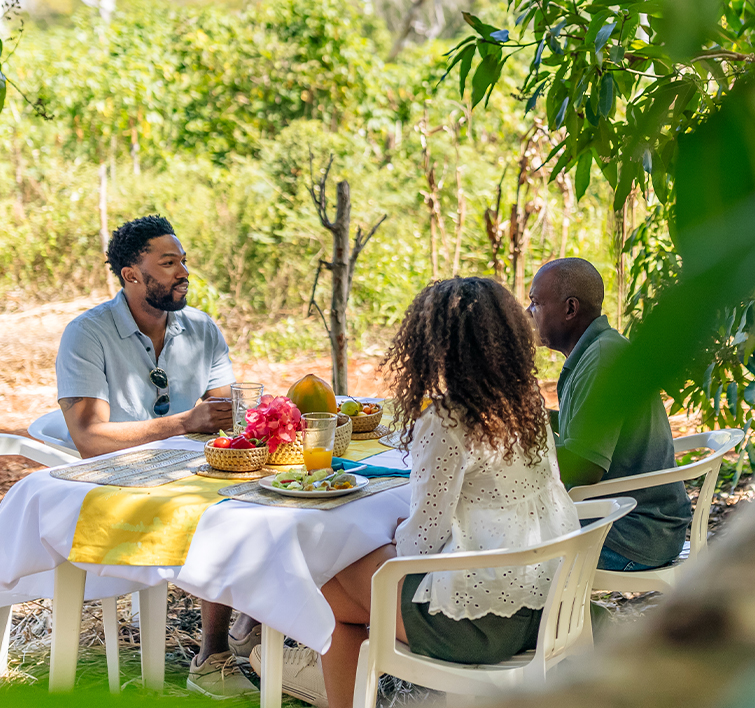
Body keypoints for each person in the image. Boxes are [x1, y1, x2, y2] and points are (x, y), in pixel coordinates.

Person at [249, 277, 580, 708]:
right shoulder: (527, 402)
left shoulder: (447, 419)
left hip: (478, 625)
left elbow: (419, 544)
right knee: (344, 580)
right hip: (547, 604)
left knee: (325, 583)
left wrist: (396, 535)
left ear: (431, 345)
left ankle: (314, 674)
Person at [56, 215, 261, 698]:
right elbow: (89, 438)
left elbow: (226, 415)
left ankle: (245, 631)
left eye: (183, 260)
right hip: (120, 484)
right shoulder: (86, 334)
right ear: (131, 274)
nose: (182, 271)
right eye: (168, 263)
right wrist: (185, 423)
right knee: (225, 512)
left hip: (195, 474)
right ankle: (223, 649)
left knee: (264, 502)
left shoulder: (202, 328)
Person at [526, 257, 692, 572]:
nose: (528, 313)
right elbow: (589, 432)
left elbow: (583, 466)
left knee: (505, 540)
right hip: (636, 522)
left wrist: (507, 455)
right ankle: (574, 620)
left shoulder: (602, 359)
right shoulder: (598, 349)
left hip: (635, 533)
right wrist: (528, 417)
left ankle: (568, 621)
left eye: (535, 303)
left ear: (570, 309)